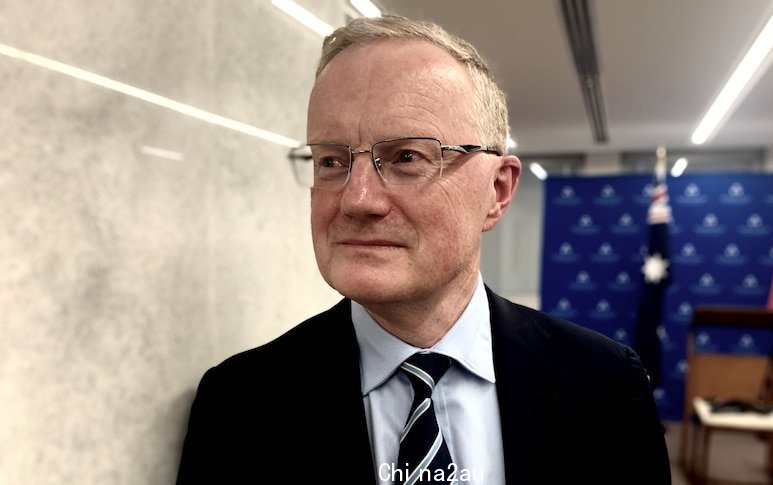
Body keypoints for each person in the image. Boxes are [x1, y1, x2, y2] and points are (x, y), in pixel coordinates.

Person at [176, 14, 671, 485]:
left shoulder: (605, 385)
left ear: (497, 191)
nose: (357, 199)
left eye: (407, 156)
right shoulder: (237, 403)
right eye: (330, 160)